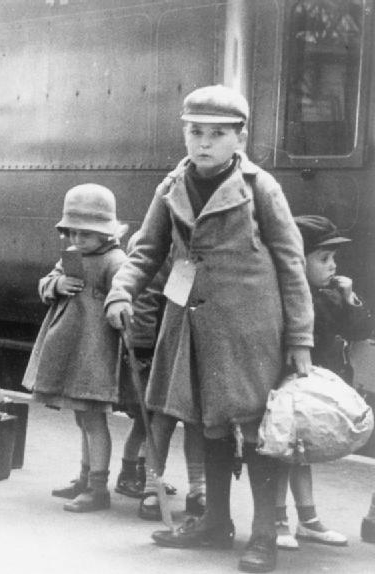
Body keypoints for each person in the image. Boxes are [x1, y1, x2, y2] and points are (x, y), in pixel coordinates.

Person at [105, 85, 313, 573]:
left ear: (240, 137)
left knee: (260, 431)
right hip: (191, 326)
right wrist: (121, 290)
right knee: (205, 423)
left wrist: (300, 339)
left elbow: (292, 264)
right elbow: (146, 250)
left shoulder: (262, 187)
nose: (203, 143)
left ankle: (264, 533)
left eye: (217, 134)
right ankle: (215, 522)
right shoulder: (172, 184)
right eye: (195, 132)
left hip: (250, 329)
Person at [22, 184, 128, 513]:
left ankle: (99, 489)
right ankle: (85, 478)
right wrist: (57, 284)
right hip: (72, 349)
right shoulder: (72, 257)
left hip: (95, 353)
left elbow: (126, 296)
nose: (77, 241)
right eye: (72, 233)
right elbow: (46, 282)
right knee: (84, 420)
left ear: (106, 233)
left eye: (86, 234)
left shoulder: (116, 261)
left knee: (94, 420)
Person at [274, 215, 373, 550]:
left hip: (313, 390)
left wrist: (349, 298)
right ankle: (276, 519)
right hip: (288, 389)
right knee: (282, 454)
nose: (332, 266)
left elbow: (359, 331)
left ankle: (308, 519)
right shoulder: (285, 297)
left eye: (333, 259)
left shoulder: (331, 296)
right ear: (296, 261)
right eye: (323, 259)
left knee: (299, 455)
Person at [117, 235, 206, 522]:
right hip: (169, 350)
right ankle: (153, 487)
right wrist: (144, 348)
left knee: (195, 422)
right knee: (162, 421)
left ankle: (197, 489)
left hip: (200, 348)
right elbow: (163, 303)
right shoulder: (177, 256)